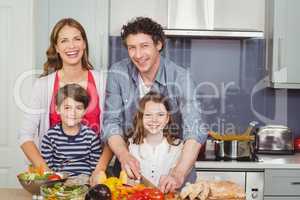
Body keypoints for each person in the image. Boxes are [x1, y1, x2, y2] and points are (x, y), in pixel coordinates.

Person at [102, 16, 207, 192]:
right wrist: (124, 155)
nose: (138, 55)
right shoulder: (118, 73)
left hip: (174, 182)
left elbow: (195, 130)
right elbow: (111, 123)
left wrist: (178, 174)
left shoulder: (181, 78)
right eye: (132, 48)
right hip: (131, 180)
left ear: (158, 44)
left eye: (144, 46)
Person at [18, 18, 112, 182]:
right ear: (57, 48)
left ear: (84, 44)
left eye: (77, 39)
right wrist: (48, 173)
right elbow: (25, 135)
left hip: (95, 174)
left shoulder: (103, 81)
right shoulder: (43, 85)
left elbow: (113, 130)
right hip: (54, 177)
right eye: (64, 40)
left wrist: (99, 170)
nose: (72, 46)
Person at [127, 91, 196, 187]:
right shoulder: (131, 146)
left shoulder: (178, 147)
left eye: (160, 115)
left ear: (167, 118)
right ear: (141, 117)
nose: (154, 119)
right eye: (148, 115)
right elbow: (129, 183)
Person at [41, 84, 101, 176]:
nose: (73, 113)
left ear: (85, 111)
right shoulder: (50, 137)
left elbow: (95, 171)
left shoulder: (91, 137)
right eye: (67, 108)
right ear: (57, 109)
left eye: (79, 108)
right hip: (59, 184)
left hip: (85, 185)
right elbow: (48, 171)